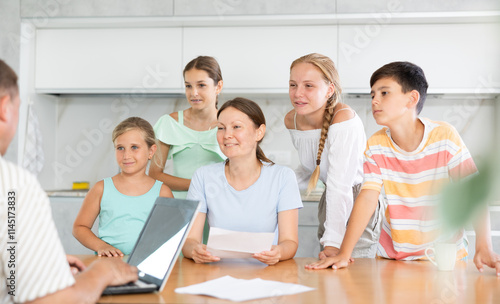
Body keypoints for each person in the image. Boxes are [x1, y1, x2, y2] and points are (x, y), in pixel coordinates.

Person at [305, 61, 500, 275]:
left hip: (444, 261)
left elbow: (472, 192)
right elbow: (368, 198)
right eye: (372, 95)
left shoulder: (445, 136)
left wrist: (484, 246)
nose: (375, 100)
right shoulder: (376, 145)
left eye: (384, 93)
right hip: (393, 259)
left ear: (412, 98)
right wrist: (344, 252)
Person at [0, 59, 137, 304]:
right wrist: (102, 271)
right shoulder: (14, 186)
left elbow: (9, 255)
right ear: (4, 108)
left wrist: (40, 261)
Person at [182, 97, 303, 266]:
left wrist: (279, 252)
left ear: (259, 132)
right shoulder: (203, 177)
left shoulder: (282, 177)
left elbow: (289, 242)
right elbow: (189, 241)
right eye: (221, 128)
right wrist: (195, 250)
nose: (227, 135)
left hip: (267, 277)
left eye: (236, 127)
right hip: (215, 277)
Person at [284, 53, 379, 259]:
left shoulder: (343, 118)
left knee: (355, 273)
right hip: (331, 198)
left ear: (329, 90)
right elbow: (311, 168)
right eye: (293, 85)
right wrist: (276, 183)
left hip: (358, 199)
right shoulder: (292, 120)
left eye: (309, 86)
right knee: (329, 273)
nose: (298, 93)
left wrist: (333, 244)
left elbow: (341, 184)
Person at [73, 117, 173, 257]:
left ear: (151, 151)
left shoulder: (163, 192)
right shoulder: (101, 189)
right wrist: (101, 246)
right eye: (120, 148)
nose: (126, 155)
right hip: (109, 266)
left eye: (134, 147)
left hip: (146, 266)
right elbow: (79, 228)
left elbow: (172, 236)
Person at [149, 56, 226, 199]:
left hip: (219, 206)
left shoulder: (228, 125)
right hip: (181, 208)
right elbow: (154, 174)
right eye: (188, 86)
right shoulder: (169, 123)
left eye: (201, 85)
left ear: (218, 86)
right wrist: (197, 184)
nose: (193, 93)